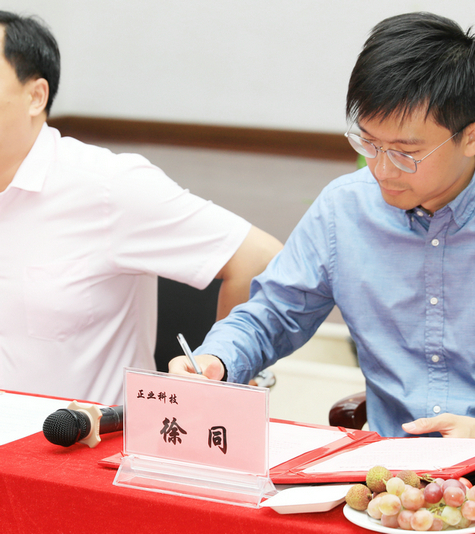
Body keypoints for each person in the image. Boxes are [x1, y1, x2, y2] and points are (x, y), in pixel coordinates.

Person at [170, 12, 475, 442]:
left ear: (473, 137)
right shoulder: (344, 207)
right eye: (368, 143)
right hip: (390, 474)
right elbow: (272, 314)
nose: (380, 169)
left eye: (406, 152)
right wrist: (218, 360)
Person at [0, 11, 283, 406]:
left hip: (82, 438)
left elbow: (259, 258)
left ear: (36, 96)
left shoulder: (107, 186)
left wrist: (220, 375)